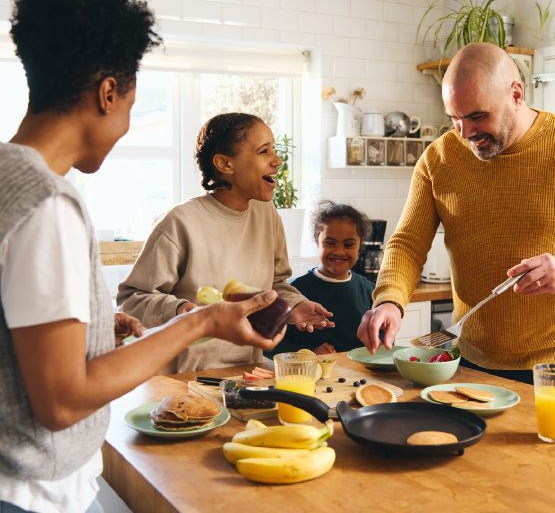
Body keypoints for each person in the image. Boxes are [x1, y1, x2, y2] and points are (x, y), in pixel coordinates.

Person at [0, 0, 287, 513]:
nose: (129, 122)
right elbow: (63, 401)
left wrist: (90, 331)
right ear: (108, 93)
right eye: (132, 104)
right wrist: (200, 320)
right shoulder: (49, 204)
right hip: (34, 493)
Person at [357, 42, 555, 385]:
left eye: (477, 116)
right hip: (466, 362)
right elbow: (407, 244)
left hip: (550, 368)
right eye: (455, 118)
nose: (465, 133)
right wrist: (390, 301)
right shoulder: (440, 159)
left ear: (517, 94)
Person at [117, 113, 334, 372]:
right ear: (225, 164)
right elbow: (132, 299)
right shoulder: (179, 222)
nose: (277, 161)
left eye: (273, 150)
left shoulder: (268, 215)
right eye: (264, 151)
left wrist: (294, 306)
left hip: (248, 373)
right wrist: (180, 310)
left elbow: (275, 284)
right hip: (184, 378)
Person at [266, 201, 383, 357]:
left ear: (360, 242)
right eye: (330, 243)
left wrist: (379, 345)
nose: (339, 252)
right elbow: (270, 342)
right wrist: (310, 353)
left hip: (360, 378)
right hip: (308, 377)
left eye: (348, 244)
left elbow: (384, 337)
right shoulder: (293, 292)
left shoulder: (371, 291)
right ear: (317, 238)